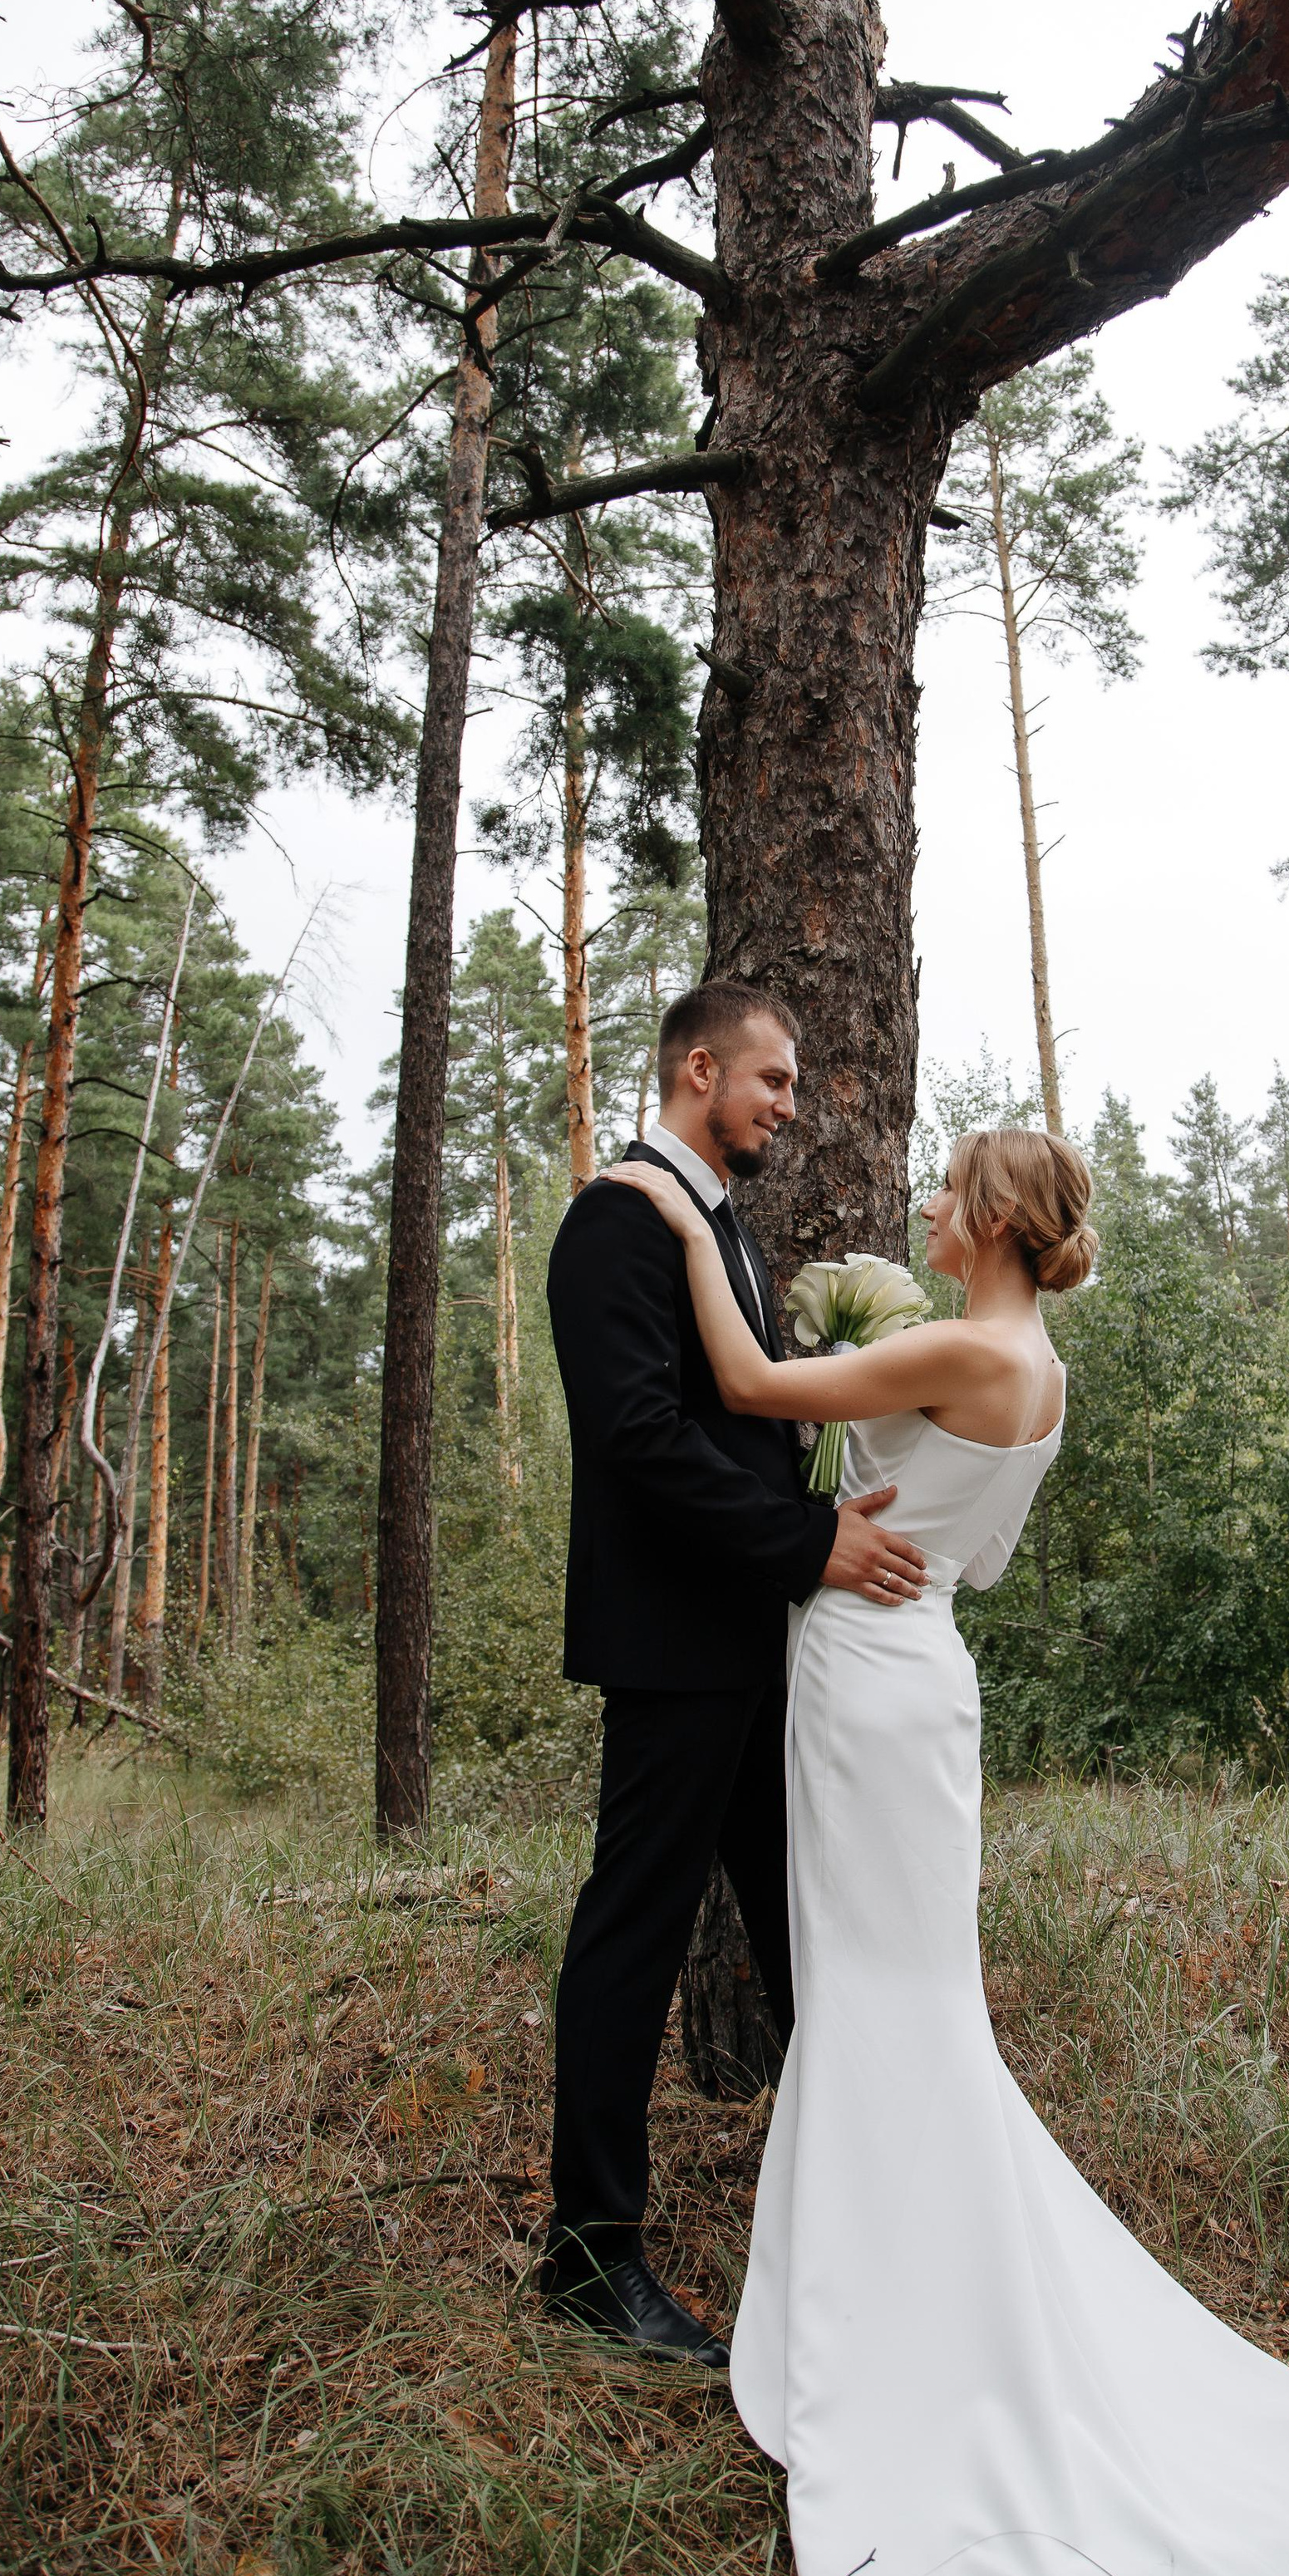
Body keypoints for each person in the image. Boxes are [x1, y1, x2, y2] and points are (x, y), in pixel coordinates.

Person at [600, 1124, 1289, 2576]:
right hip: (923, 1673)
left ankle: (910, 2336)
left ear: (986, 1220)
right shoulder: (1029, 1364)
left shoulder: (964, 1352)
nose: (924, 1209)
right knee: (896, 2000)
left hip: (866, 1674)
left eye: (945, 1195)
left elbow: (761, 1393)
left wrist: (691, 1233)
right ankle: (885, 2299)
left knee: (884, 2007)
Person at [539, 979, 929, 2363]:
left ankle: (867, 2210)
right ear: (699, 1071)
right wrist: (804, 1542)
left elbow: (754, 1413)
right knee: (634, 1933)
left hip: (756, 1645)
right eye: (772, 1079)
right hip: (675, 1645)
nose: (789, 1104)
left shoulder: (724, 1231)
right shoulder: (615, 1223)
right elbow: (639, 1443)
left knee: (806, 1926)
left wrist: (832, 1507)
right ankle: (591, 2258)